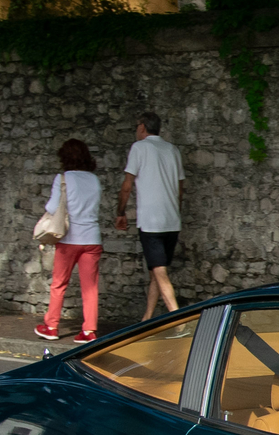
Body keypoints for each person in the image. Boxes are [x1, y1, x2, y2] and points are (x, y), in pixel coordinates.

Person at [117, 111, 184, 321]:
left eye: (137, 126)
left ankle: (179, 320)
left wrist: (120, 212)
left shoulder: (139, 148)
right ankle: (147, 319)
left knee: (159, 271)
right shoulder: (172, 150)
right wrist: (176, 209)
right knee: (156, 271)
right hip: (172, 220)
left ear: (143, 127)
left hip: (151, 222)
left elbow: (127, 185)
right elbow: (181, 187)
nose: (137, 129)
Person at [35, 138, 104, 344]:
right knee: (90, 287)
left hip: (69, 239)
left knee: (59, 283)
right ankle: (89, 330)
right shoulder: (94, 180)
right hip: (92, 238)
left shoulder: (63, 179)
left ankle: (51, 326)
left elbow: (52, 207)